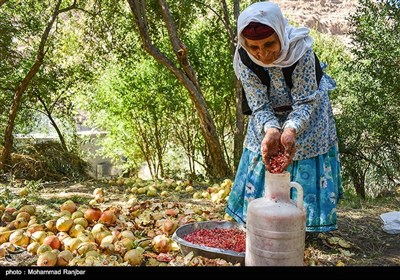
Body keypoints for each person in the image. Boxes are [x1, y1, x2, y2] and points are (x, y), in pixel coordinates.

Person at [226, 1, 343, 232]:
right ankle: (262, 221)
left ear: (280, 33)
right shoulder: (245, 58)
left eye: (269, 44)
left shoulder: (301, 52)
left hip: (308, 113)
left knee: (304, 156)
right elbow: (258, 104)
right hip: (269, 112)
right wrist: (271, 129)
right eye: (254, 47)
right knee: (263, 153)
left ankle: (304, 225)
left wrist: (290, 129)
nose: (263, 53)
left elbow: (305, 101)